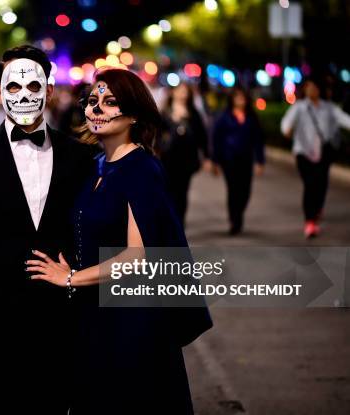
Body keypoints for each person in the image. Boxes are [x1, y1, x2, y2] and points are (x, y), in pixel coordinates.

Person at [26, 68, 212, 414]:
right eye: (92, 101)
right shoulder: (96, 165)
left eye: (110, 102)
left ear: (134, 114)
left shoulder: (141, 168)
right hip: (93, 315)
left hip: (130, 321)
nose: (97, 109)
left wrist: (69, 278)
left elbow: (137, 257)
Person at [0, 45, 94, 414]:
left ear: (50, 90)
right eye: (13, 88)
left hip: (60, 315)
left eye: (33, 87)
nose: (23, 96)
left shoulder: (80, 156)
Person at [281, 77, 350, 238]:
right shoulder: (299, 107)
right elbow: (286, 123)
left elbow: (345, 120)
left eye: (315, 87)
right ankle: (310, 221)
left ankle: (317, 208)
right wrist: (287, 130)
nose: (312, 90)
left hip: (324, 153)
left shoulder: (329, 108)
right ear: (304, 89)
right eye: (309, 87)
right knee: (310, 185)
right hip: (303, 152)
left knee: (321, 184)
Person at [212, 87, 265, 235]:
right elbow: (216, 139)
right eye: (237, 97)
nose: (240, 100)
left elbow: (258, 140)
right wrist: (215, 161)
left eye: (243, 97)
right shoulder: (224, 117)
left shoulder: (251, 117)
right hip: (229, 160)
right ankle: (234, 220)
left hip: (246, 159)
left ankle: (238, 213)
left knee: (245, 191)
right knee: (233, 189)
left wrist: (260, 160)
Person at [158, 82, 210, 225]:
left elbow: (202, 136)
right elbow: (156, 136)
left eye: (185, 91)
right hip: (168, 159)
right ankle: (170, 221)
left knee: (182, 192)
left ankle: (180, 221)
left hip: (187, 159)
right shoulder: (164, 112)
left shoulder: (194, 113)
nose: (183, 94)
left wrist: (206, 157)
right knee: (168, 192)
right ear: (173, 92)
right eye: (180, 91)